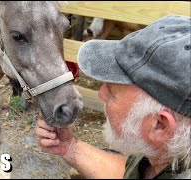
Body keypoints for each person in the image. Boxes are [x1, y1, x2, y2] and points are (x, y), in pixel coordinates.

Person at [35, 15, 190, 179]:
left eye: (111, 90)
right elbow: (128, 174)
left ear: (160, 125)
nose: (101, 94)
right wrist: (69, 147)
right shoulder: (164, 155)